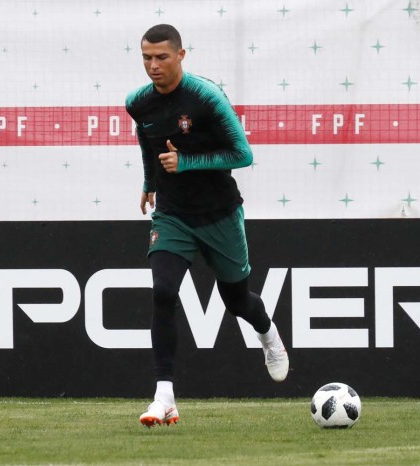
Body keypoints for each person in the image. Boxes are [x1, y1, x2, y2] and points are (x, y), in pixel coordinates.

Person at [125, 24, 289, 428]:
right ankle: (164, 396)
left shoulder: (206, 97)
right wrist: (150, 183)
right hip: (172, 214)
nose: (153, 65)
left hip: (219, 214)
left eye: (162, 57)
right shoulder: (138, 103)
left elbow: (243, 154)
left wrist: (187, 164)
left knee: (236, 301)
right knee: (163, 291)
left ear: (181, 55)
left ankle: (268, 335)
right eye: (147, 57)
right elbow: (149, 144)